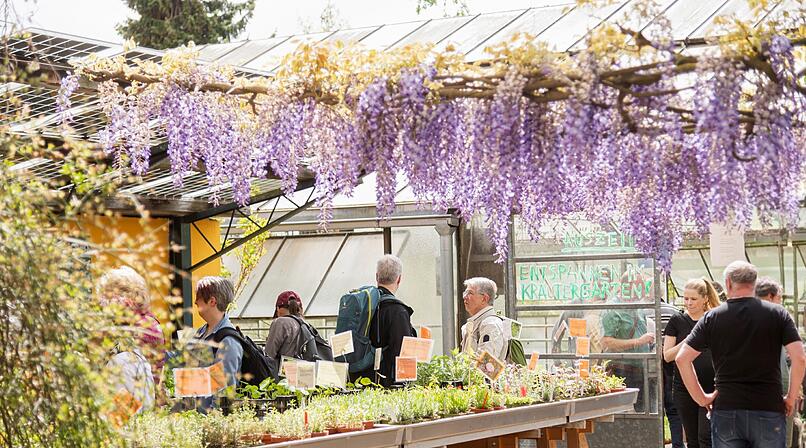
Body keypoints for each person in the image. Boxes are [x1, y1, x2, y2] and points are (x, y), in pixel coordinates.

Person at [676, 261, 806, 448]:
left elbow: (682, 358)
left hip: (726, 408)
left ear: (728, 283)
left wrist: (701, 398)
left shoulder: (712, 317)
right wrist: (791, 397)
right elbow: (799, 357)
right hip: (767, 406)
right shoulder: (777, 314)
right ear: (755, 284)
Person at [663, 279, 721, 448]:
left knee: (706, 436)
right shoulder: (677, 321)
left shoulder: (713, 319)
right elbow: (667, 356)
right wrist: (689, 340)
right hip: (684, 388)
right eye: (686, 298)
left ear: (705, 298)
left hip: (710, 387)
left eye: (693, 299)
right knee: (692, 438)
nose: (688, 303)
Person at [97, 266, 160, 415]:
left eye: (106, 298)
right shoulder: (145, 327)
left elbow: (120, 418)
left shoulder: (125, 356)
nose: (102, 305)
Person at [193, 276, 243, 407]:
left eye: (198, 297)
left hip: (208, 421)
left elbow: (223, 395)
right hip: (196, 416)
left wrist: (210, 422)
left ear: (212, 301)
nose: (195, 301)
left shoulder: (228, 341)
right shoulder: (202, 332)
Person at [756, 277, 794, 447]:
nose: (780, 302)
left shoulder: (742, 316)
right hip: (778, 385)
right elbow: (795, 356)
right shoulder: (781, 317)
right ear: (771, 297)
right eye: (779, 298)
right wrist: (792, 393)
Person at [368, 254, 416, 387]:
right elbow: (402, 351)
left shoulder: (366, 305)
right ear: (399, 279)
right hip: (386, 381)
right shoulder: (397, 311)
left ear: (377, 276)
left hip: (360, 377)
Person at [460, 277, 507, 361]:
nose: (465, 297)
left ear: (484, 299)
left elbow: (486, 364)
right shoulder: (475, 323)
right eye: (465, 293)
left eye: (470, 293)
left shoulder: (490, 324)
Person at [660, 298, 685, 448]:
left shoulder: (644, 311)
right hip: (670, 364)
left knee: (653, 407)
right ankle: (678, 444)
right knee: (673, 408)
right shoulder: (674, 311)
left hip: (648, 364)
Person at [264, 291, 304, 360]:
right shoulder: (305, 324)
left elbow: (269, 354)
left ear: (278, 308)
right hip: (304, 368)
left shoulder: (280, 323)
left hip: (285, 369)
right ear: (300, 309)